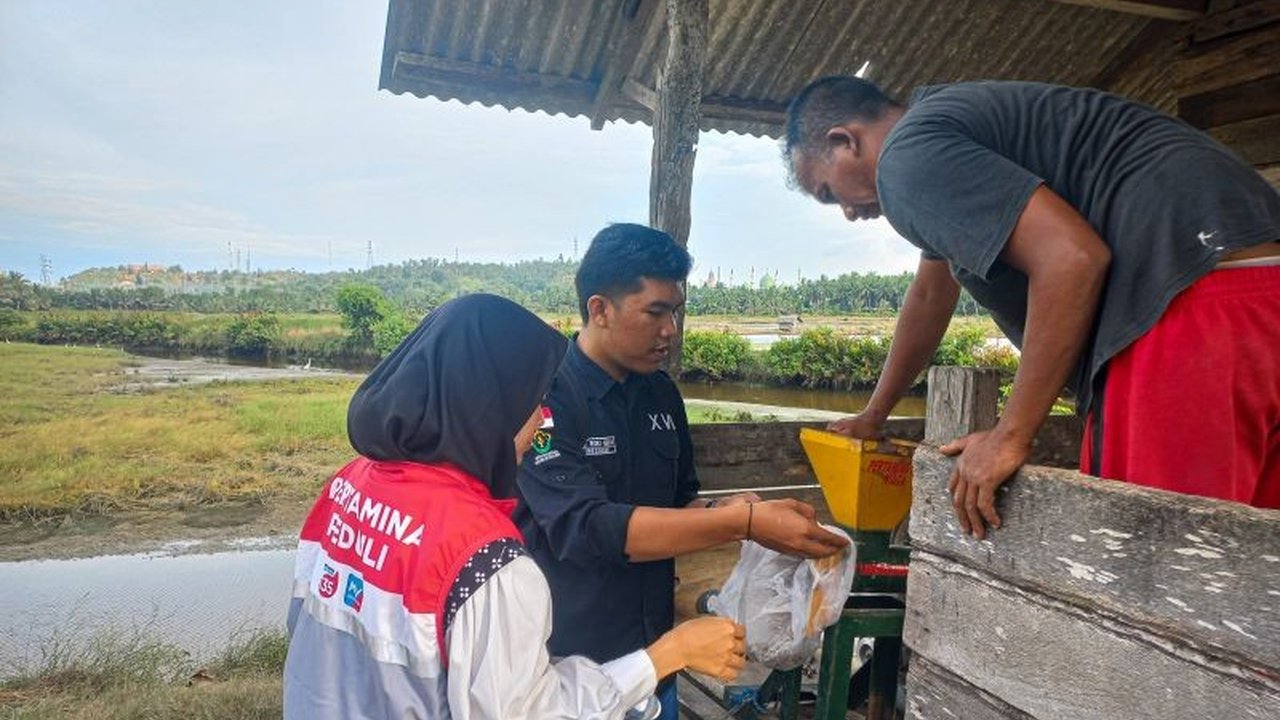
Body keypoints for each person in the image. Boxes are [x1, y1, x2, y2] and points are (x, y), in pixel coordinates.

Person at [784, 76, 1280, 537]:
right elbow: (930, 296)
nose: (848, 212)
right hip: (1254, 289)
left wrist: (1011, 434)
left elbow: (1071, 258)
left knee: (1158, 552)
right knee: (1256, 561)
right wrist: (875, 413)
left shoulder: (905, 161)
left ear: (843, 141)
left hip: (1192, 304)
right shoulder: (947, 133)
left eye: (828, 193)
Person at [283, 293, 747, 720]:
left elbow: (305, 630)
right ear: (486, 404)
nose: (543, 419)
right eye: (535, 401)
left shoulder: (348, 486)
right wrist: (667, 655)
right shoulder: (485, 559)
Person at [516, 223, 849, 719]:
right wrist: (742, 523)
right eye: (655, 311)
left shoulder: (660, 394)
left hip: (659, 660)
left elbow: (679, 503)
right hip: (569, 668)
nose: (670, 329)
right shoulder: (547, 397)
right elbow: (583, 527)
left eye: (675, 311)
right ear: (600, 309)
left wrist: (726, 508)